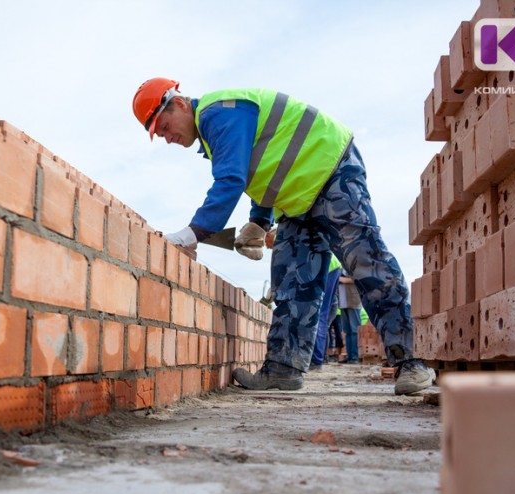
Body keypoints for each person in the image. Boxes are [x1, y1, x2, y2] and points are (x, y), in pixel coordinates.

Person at [132, 78, 432, 395]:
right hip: (296, 199)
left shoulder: (217, 113)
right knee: (292, 281)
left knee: (367, 263)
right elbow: (267, 165)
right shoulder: (215, 128)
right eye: (159, 134)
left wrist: (193, 233)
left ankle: (413, 363)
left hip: (330, 171)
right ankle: (282, 369)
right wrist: (259, 221)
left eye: (164, 127)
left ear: (178, 104)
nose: (166, 138)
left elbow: (231, 179)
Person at [309, 254, 342, 371]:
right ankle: (318, 358)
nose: (267, 247)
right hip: (331, 265)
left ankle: (316, 359)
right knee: (320, 313)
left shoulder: (281, 238)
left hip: (326, 265)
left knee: (318, 314)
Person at [337, 268, 362, 364]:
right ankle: (349, 356)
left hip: (353, 301)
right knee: (347, 331)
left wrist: (342, 279)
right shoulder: (340, 268)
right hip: (343, 303)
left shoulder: (354, 265)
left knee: (354, 330)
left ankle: (355, 357)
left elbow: (358, 279)